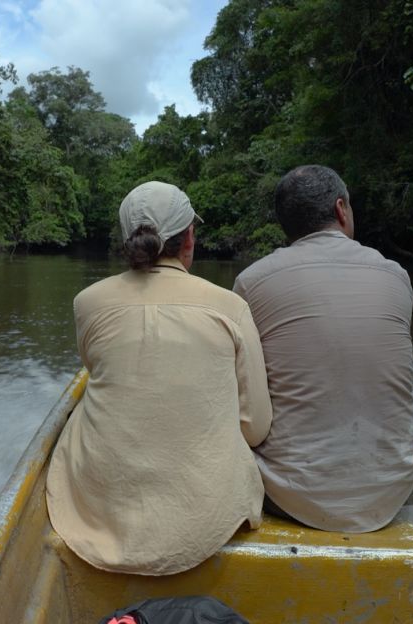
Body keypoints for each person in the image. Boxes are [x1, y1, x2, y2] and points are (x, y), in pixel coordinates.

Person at [46, 181, 273, 575]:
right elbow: (255, 428)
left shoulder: (88, 303)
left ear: (127, 240)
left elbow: (96, 368)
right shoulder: (231, 307)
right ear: (189, 238)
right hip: (207, 518)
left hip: (98, 513)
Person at [233, 165, 413, 533]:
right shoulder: (396, 276)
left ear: (286, 224)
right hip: (393, 491)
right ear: (340, 209)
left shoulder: (251, 282)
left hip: (291, 498)